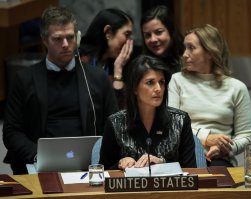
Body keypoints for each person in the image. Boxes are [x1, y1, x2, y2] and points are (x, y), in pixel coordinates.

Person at [2, 6, 118, 174]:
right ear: (44, 40)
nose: (65, 45)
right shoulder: (24, 79)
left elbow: (114, 125)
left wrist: (97, 155)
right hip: (38, 162)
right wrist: (37, 155)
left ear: (77, 38)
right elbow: (11, 132)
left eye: (70, 37)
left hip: (89, 164)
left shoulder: (96, 78)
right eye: (58, 39)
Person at [168, 24, 251, 167]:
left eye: (191, 48)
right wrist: (205, 138)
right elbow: (173, 124)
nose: (184, 54)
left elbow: (247, 135)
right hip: (184, 151)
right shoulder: (177, 80)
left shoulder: (237, 88)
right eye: (185, 47)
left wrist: (226, 148)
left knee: (219, 181)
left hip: (219, 157)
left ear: (210, 52)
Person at [100, 55, 196, 170]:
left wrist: (163, 164)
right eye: (150, 82)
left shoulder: (180, 120)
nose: (158, 89)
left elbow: (191, 170)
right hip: (131, 187)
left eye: (161, 82)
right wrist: (121, 163)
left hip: (168, 187)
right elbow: (103, 172)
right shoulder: (115, 123)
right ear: (135, 88)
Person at [79, 8, 134, 108]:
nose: (128, 42)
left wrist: (118, 70)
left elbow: (120, 112)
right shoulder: (80, 61)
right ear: (108, 32)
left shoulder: (117, 63)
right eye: (126, 35)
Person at [141, 5, 184, 74]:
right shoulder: (142, 66)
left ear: (171, 31)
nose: (153, 39)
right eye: (148, 35)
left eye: (159, 32)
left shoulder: (188, 61)